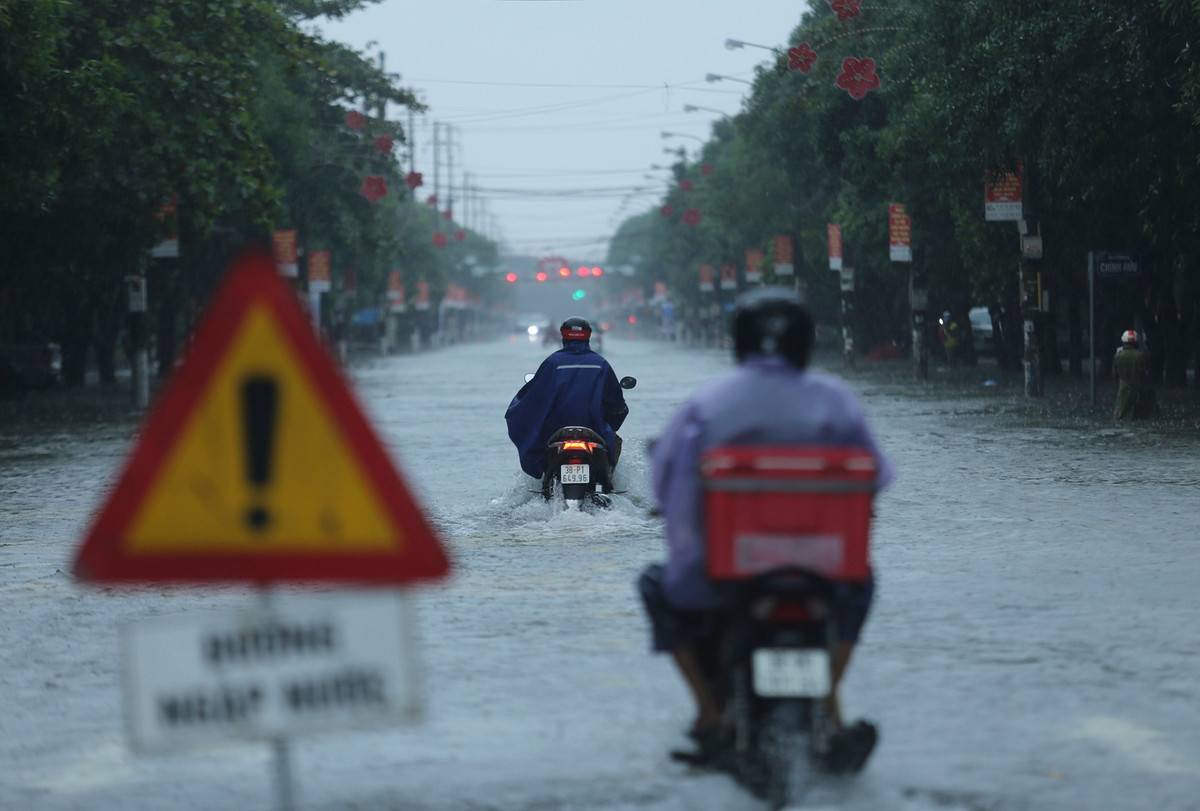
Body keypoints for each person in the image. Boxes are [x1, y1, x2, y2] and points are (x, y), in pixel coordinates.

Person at [637, 288, 894, 770]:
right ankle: (832, 710)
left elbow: (666, 475)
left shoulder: (708, 401)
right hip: (826, 568)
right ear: (805, 342)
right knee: (865, 584)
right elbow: (876, 476)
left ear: (739, 342)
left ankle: (710, 715)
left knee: (653, 586)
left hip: (723, 573)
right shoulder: (836, 399)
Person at [505, 316, 629, 482]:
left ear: (563, 335)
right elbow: (616, 404)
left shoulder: (552, 363)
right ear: (588, 335)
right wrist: (608, 422)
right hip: (595, 428)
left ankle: (544, 480)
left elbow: (531, 401)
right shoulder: (600, 363)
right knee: (614, 441)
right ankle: (609, 481)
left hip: (555, 430)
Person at [1113, 329, 1155, 420]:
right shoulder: (1142, 355)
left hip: (1124, 391)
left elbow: (1115, 374)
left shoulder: (1118, 356)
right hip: (1141, 390)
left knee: (1121, 417)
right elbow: (1147, 373)